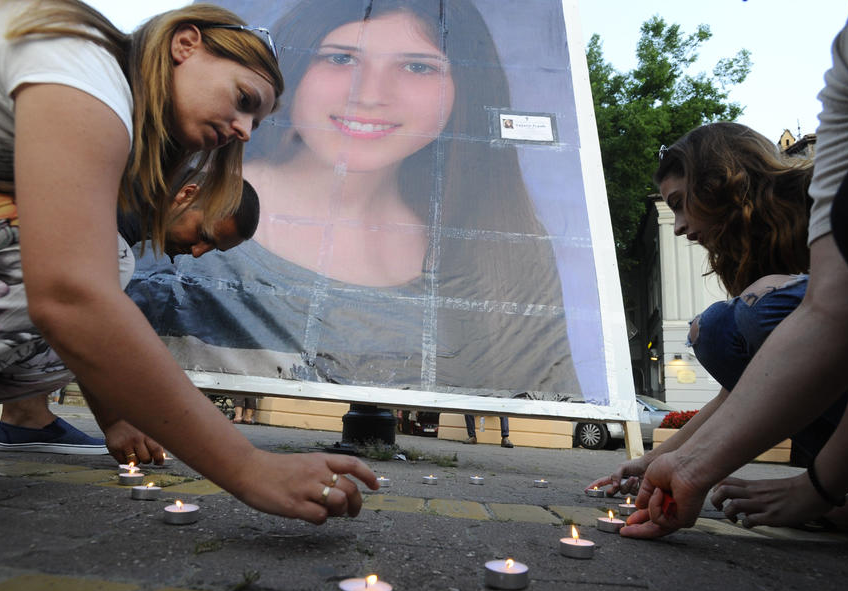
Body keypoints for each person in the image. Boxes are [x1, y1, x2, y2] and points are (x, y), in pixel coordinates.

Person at [0, 0, 377, 535]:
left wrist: (117, 415)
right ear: (186, 44)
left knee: (71, 330)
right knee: (91, 275)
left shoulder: (107, 119)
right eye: (245, 99)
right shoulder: (84, 76)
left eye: (256, 119)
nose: (246, 129)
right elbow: (70, 295)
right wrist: (248, 467)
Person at [127, 0, 581, 399]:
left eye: (418, 66)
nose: (369, 95)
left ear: (466, 88)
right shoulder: (172, 195)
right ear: (293, 71)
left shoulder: (501, 254)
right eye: (341, 58)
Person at [620, 0, 848, 540]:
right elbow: (760, 380)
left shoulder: (823, 196)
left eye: (684, 202)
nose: (681, 227)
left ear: (722, 181)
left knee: (742, 318)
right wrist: (669, 461)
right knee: (720, 330)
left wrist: (819, 485)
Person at [0, 177, 261, 464]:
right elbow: (82, 321)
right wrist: (116, 421)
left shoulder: (127, 204)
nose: (197, 251)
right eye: (203, 234)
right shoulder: (110, 219)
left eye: (212, 248)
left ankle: (25, 417)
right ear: (187, 194)